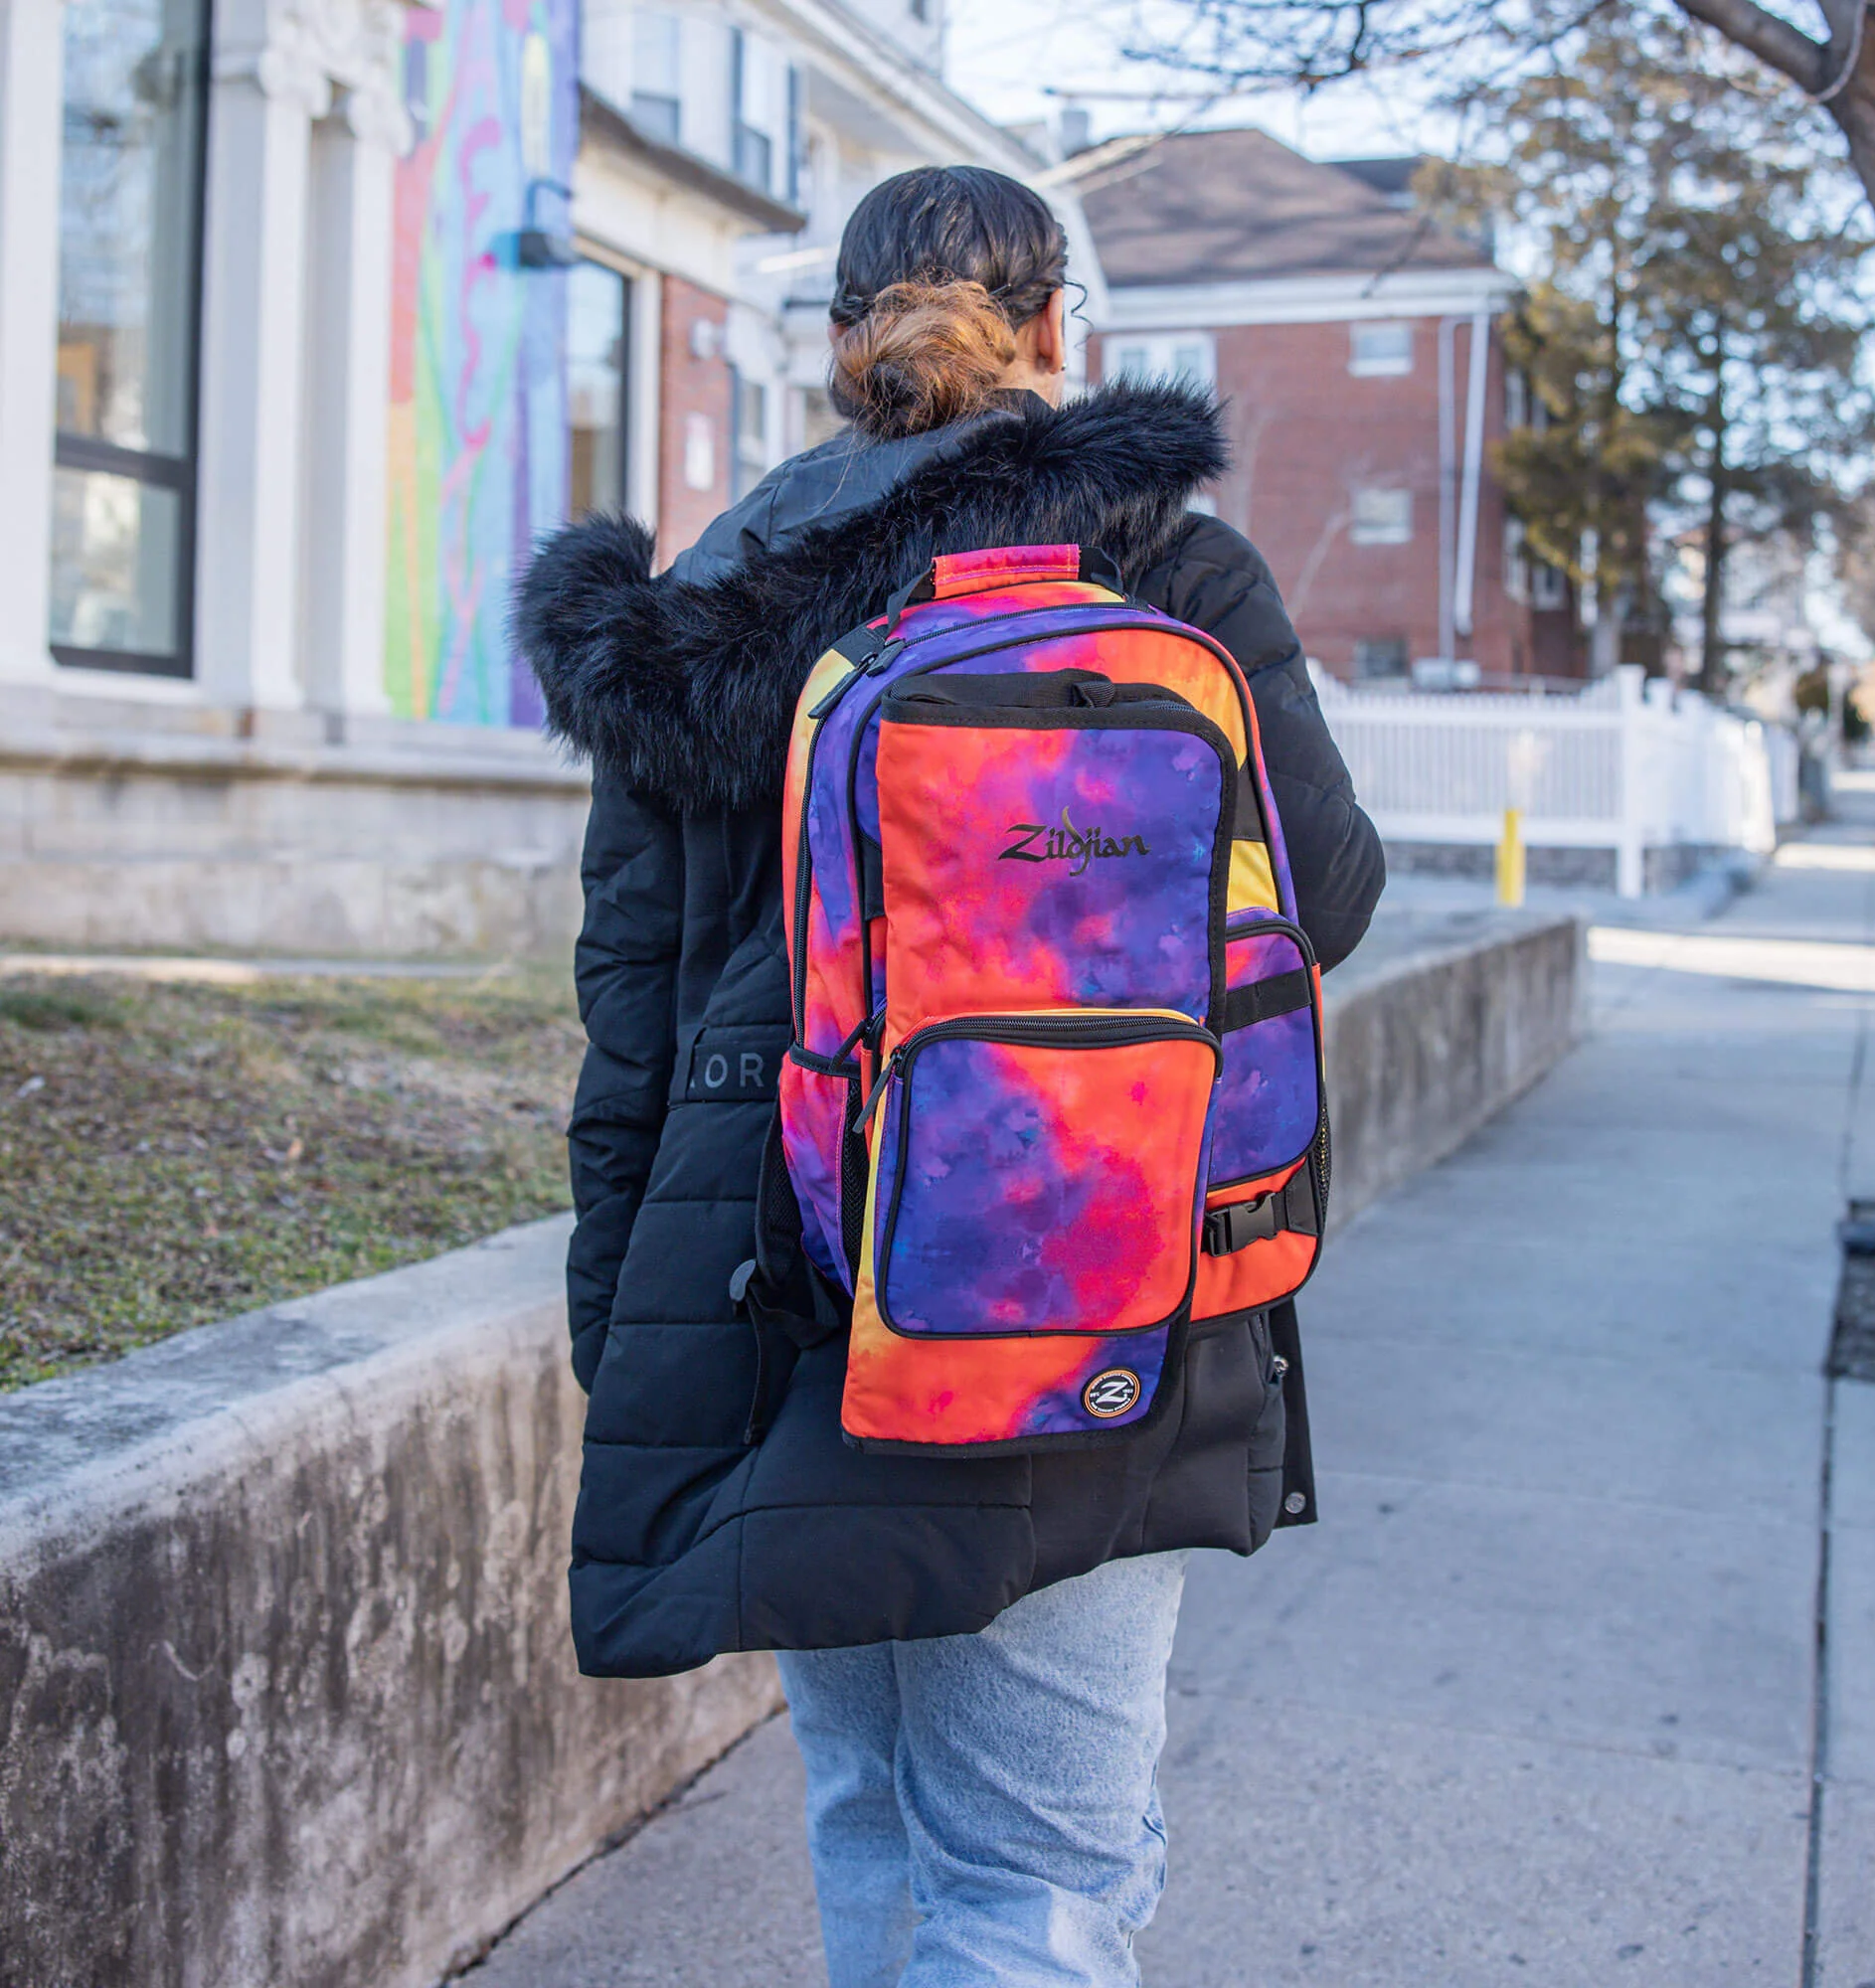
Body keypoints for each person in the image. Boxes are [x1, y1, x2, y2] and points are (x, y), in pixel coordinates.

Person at [514, 164, 1385, 1988]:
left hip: (788, 1286)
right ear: (1061, 330)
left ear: (837, 350)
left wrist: (628, 1325)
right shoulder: (1163, 564)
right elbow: (1330, 895)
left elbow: (636, 1016)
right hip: (1086, 1280)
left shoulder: (696, 608)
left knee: (878, 1809)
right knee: (1044, 1879)